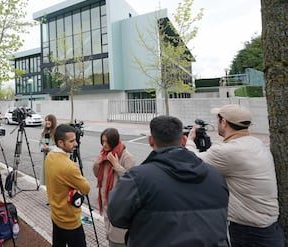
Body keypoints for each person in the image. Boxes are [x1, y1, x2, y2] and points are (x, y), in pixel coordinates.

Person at [107, 115, 229, 247]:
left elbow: (116, 217)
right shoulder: (216, 175)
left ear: (150, 140)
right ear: (183, 140)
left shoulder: (137, 178)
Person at [186, 104, 285, 246]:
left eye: (218, 119)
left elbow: (192, 163)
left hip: (249, 231)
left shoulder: (229, 151)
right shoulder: (256, 143)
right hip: (269, 226)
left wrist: (190, 141)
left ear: (224, 122)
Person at [45, 124, 91, 247]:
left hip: (56, 215)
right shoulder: (69, 166)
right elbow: (86, 188)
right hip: (70, 221)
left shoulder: (50, 156)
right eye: (71, 141)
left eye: (75, 140)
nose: (76, 144)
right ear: (60, 143)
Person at [93, 128, 135, 247]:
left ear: (114, 141)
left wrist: (116, 165)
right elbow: (97, 174)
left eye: (107, 142)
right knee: (109, 231)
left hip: (120, 204)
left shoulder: (126, 157)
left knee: (118, 239)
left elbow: (132, 181)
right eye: (103, 141)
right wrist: (97, 163)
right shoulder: (104, 154)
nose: (104, 145)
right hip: (107, 200)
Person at [39, 114, 57, 185]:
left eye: (49, 120)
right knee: (47, 178)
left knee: (54, 179)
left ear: (53, 121)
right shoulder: (43, 132)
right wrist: (42, 147)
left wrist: (49, 148)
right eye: (46, 120)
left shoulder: (57, 132)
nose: (47, 122)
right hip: (46, 157)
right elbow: (40, 143)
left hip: (54, 158)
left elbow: (59, 146)